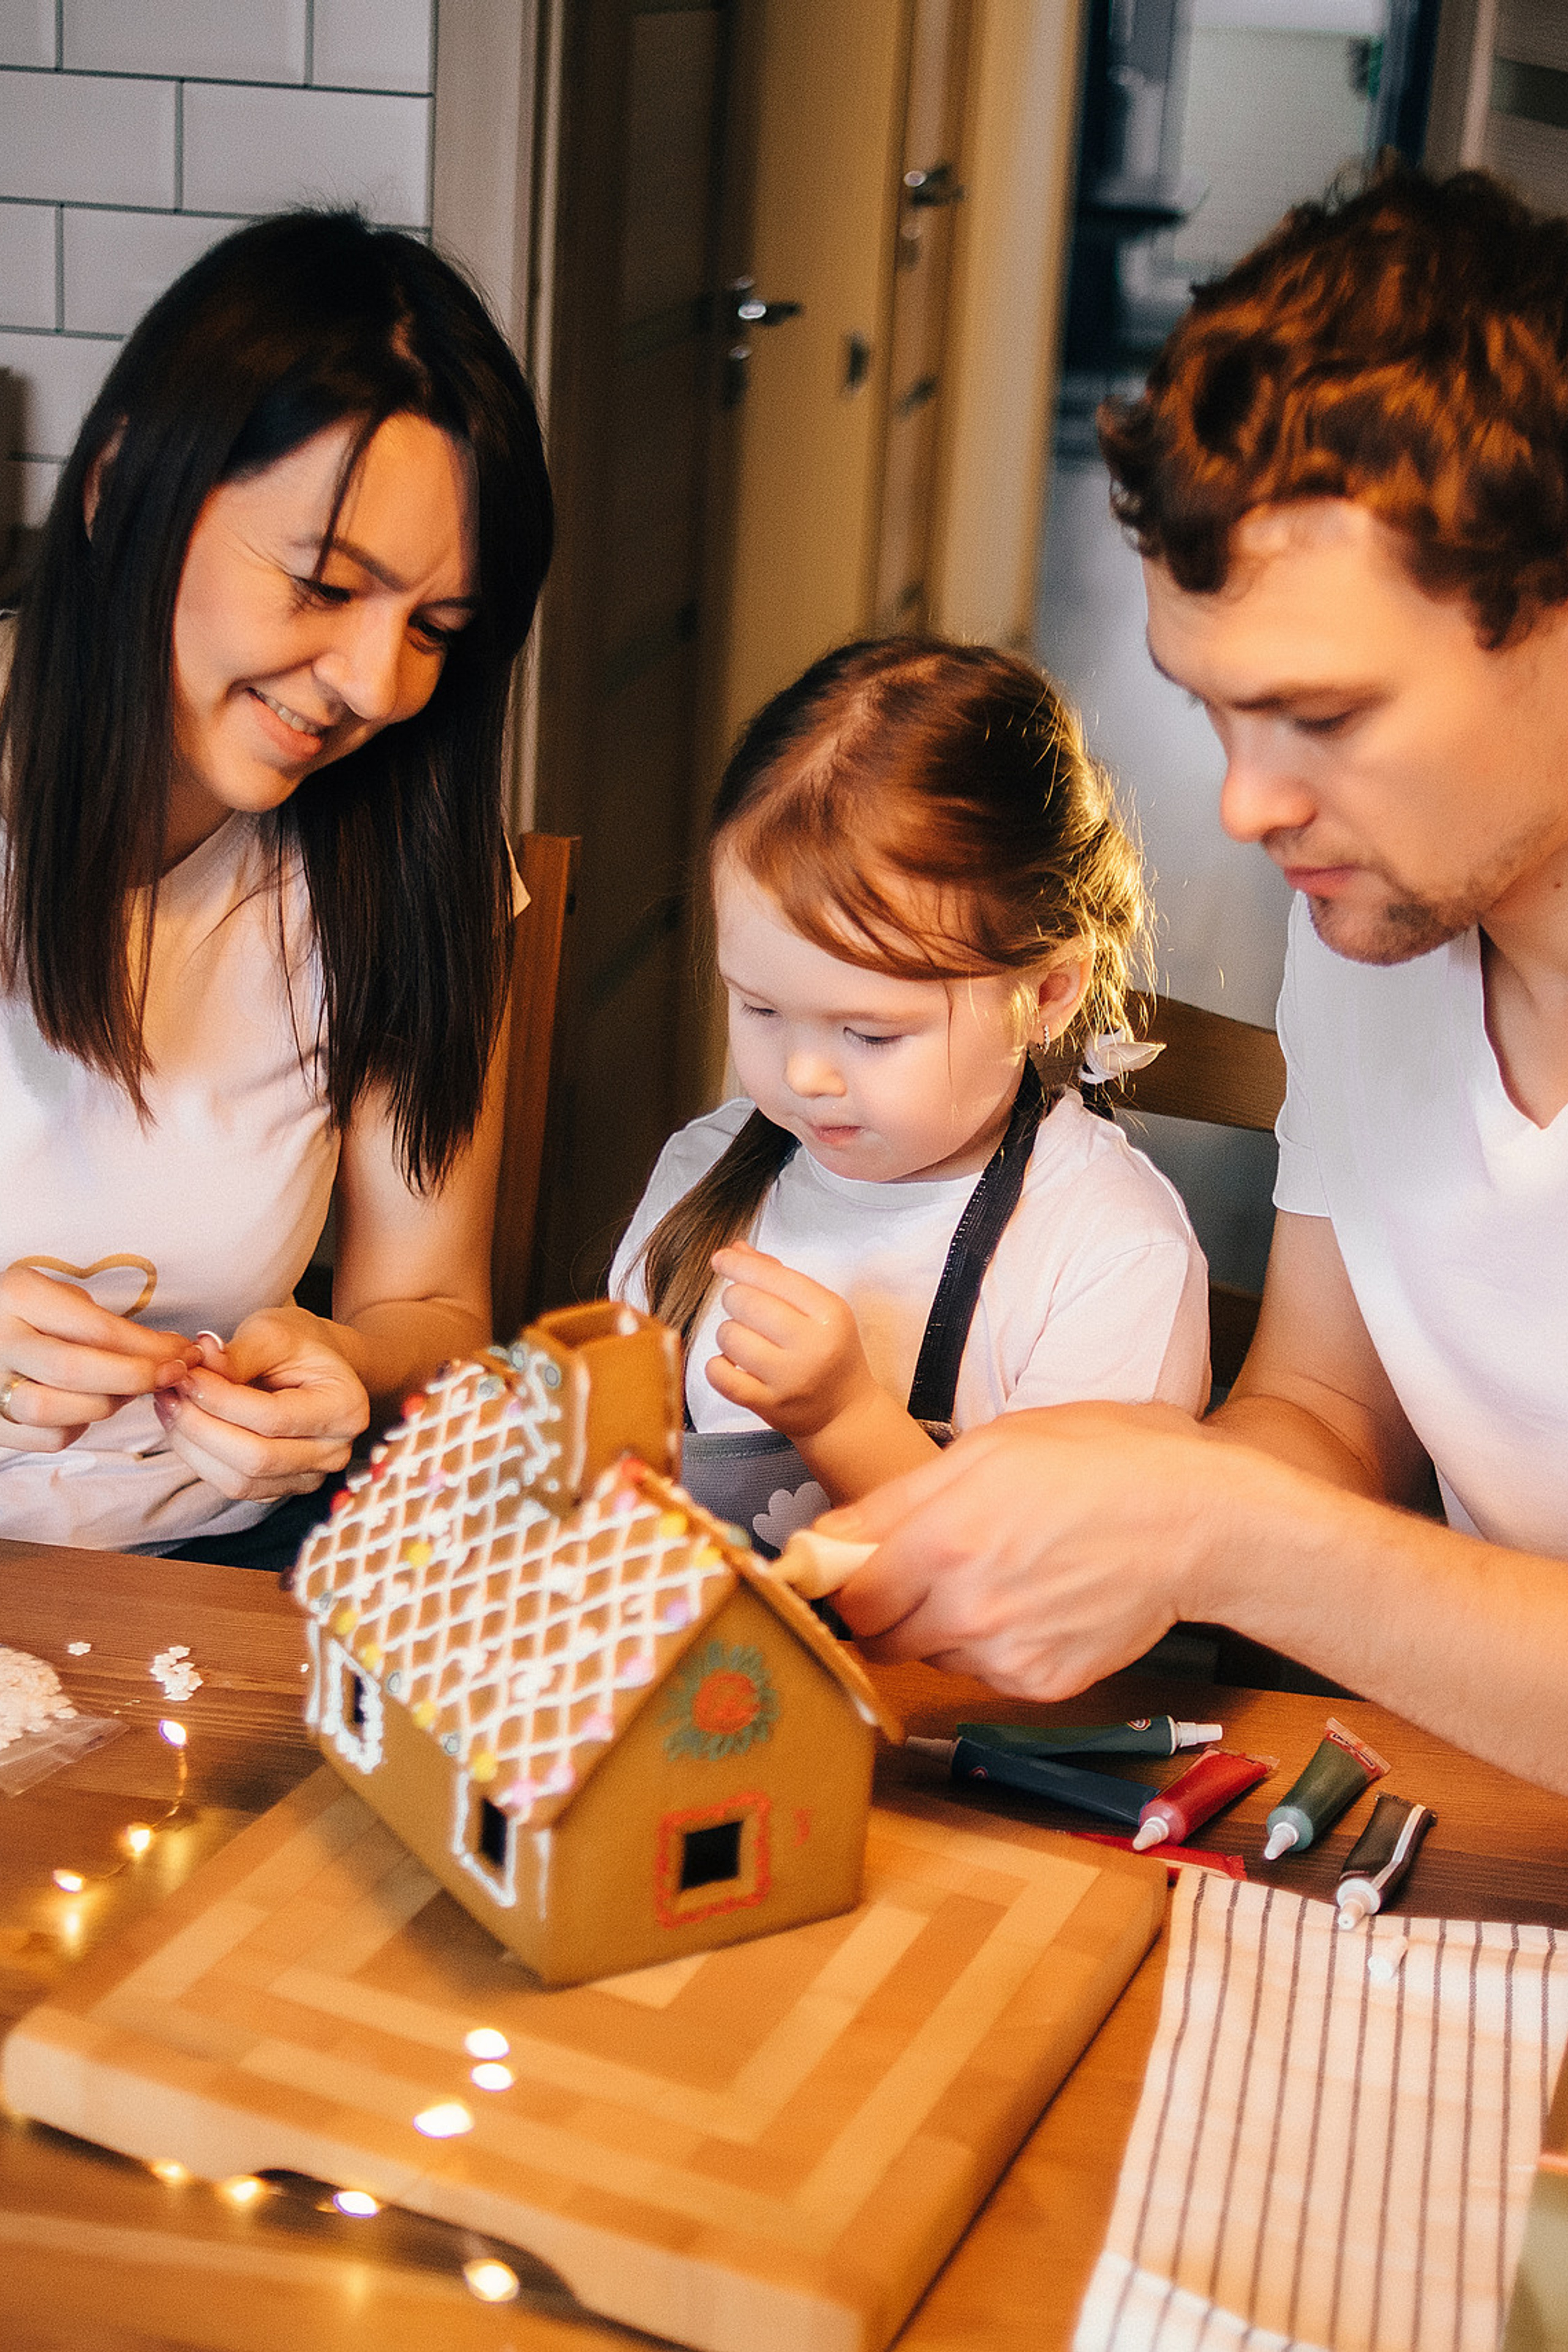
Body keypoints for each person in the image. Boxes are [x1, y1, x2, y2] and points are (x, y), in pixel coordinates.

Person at [812, 165, 1568, 1794]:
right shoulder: (1380, 932)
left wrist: (1231, 1537)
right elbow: (1325, 1405)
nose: (1246, 805)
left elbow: (1284, 1527)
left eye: (1327, 717)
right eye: (1215, 712)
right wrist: (1118, 1510)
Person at [0, 209, 552, 1567]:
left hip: (231, 1576)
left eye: (434, 629)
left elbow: (425, 1297)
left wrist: (346, 1370)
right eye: (320, 587)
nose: (376, 685)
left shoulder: (395, 851)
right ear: (122, 485)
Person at [609, 637, 1208, 1555]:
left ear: (1046, 994)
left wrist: (844, 1417)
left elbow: (1052, 1586)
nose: (805, 1076)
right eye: (761, 1008)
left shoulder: (1106, 1251)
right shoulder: (704, 1177)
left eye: (871, 1034)